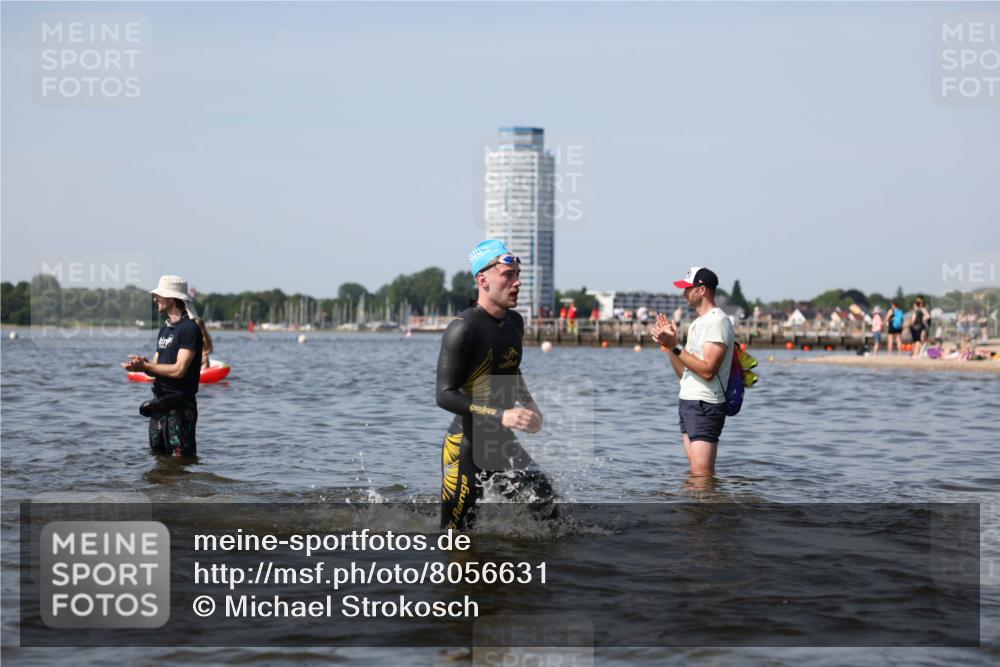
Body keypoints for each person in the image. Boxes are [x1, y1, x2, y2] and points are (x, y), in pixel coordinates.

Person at [436, 240, 556, 531]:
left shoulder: (515, 322)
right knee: (457, 536)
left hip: (501, 444)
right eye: (508, 275)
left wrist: (530, 405)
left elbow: (511, 369)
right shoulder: (462, 328)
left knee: (549, 510)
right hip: (465, 445)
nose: (517, 283)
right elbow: (444, 395)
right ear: (483, 280)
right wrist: (502, 415)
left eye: (518, 275)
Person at [651, 267, 734, 479]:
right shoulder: (698, 323)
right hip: (688, 402)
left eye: (687, 289)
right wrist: (668, 345)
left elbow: (707, 370)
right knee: (695, 475)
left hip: (705, 404)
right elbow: (684, 373)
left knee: (702, 476)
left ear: (702, 290)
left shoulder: (718, 321)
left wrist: (676, 345)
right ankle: (696, 512)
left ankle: (710, 512)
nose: (683, 294)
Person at [121, 275, 204, 458]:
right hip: (159, 402)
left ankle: (183, 488)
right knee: (158, 458)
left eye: (159, 295)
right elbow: (154, 367)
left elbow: (179, 369)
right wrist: (140, 366)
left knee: (180, 461)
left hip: (181, 406)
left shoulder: (189, 329)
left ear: (172, 299)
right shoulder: (165, 328)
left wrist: (146, 366)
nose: (155, 298)